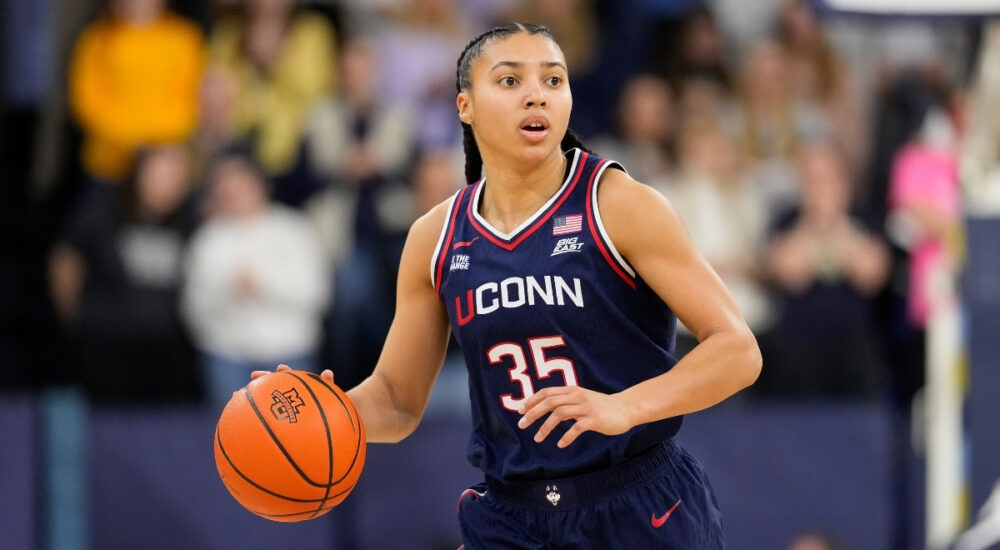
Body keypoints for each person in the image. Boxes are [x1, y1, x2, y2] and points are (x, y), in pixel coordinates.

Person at [257, 23, 760, 548]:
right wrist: (332, 411)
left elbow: (738, 351)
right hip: (511, 516)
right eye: (510, 81)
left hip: (637, 503)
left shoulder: (618, 203)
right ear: (464, 105)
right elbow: (399, 399)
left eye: (553, 79)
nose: (536, 94)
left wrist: (623, 407)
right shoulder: (436, 236)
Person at [181, 149, 329, 410]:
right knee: (234, 441)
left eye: (242, 184)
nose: (235, 193)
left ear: (260, 184)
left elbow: (316, 294)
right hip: (227, 356)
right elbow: (194, 309)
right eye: (226, 186)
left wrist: (263, 285)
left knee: (295, 443)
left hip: (290, 354)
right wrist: (231, 291)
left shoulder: (295, 229)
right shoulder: (208, 239)